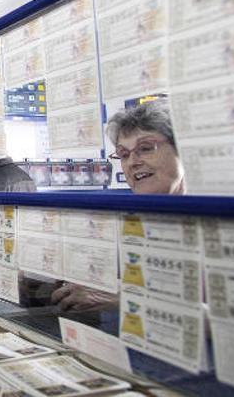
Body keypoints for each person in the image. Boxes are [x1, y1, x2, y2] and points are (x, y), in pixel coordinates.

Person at [51, 99, 184, 311]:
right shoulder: (123, 222)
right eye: (123, 154)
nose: (133, 162)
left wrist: (122, 297)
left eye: (146, 148)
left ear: (183, 149)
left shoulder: (222, 219)